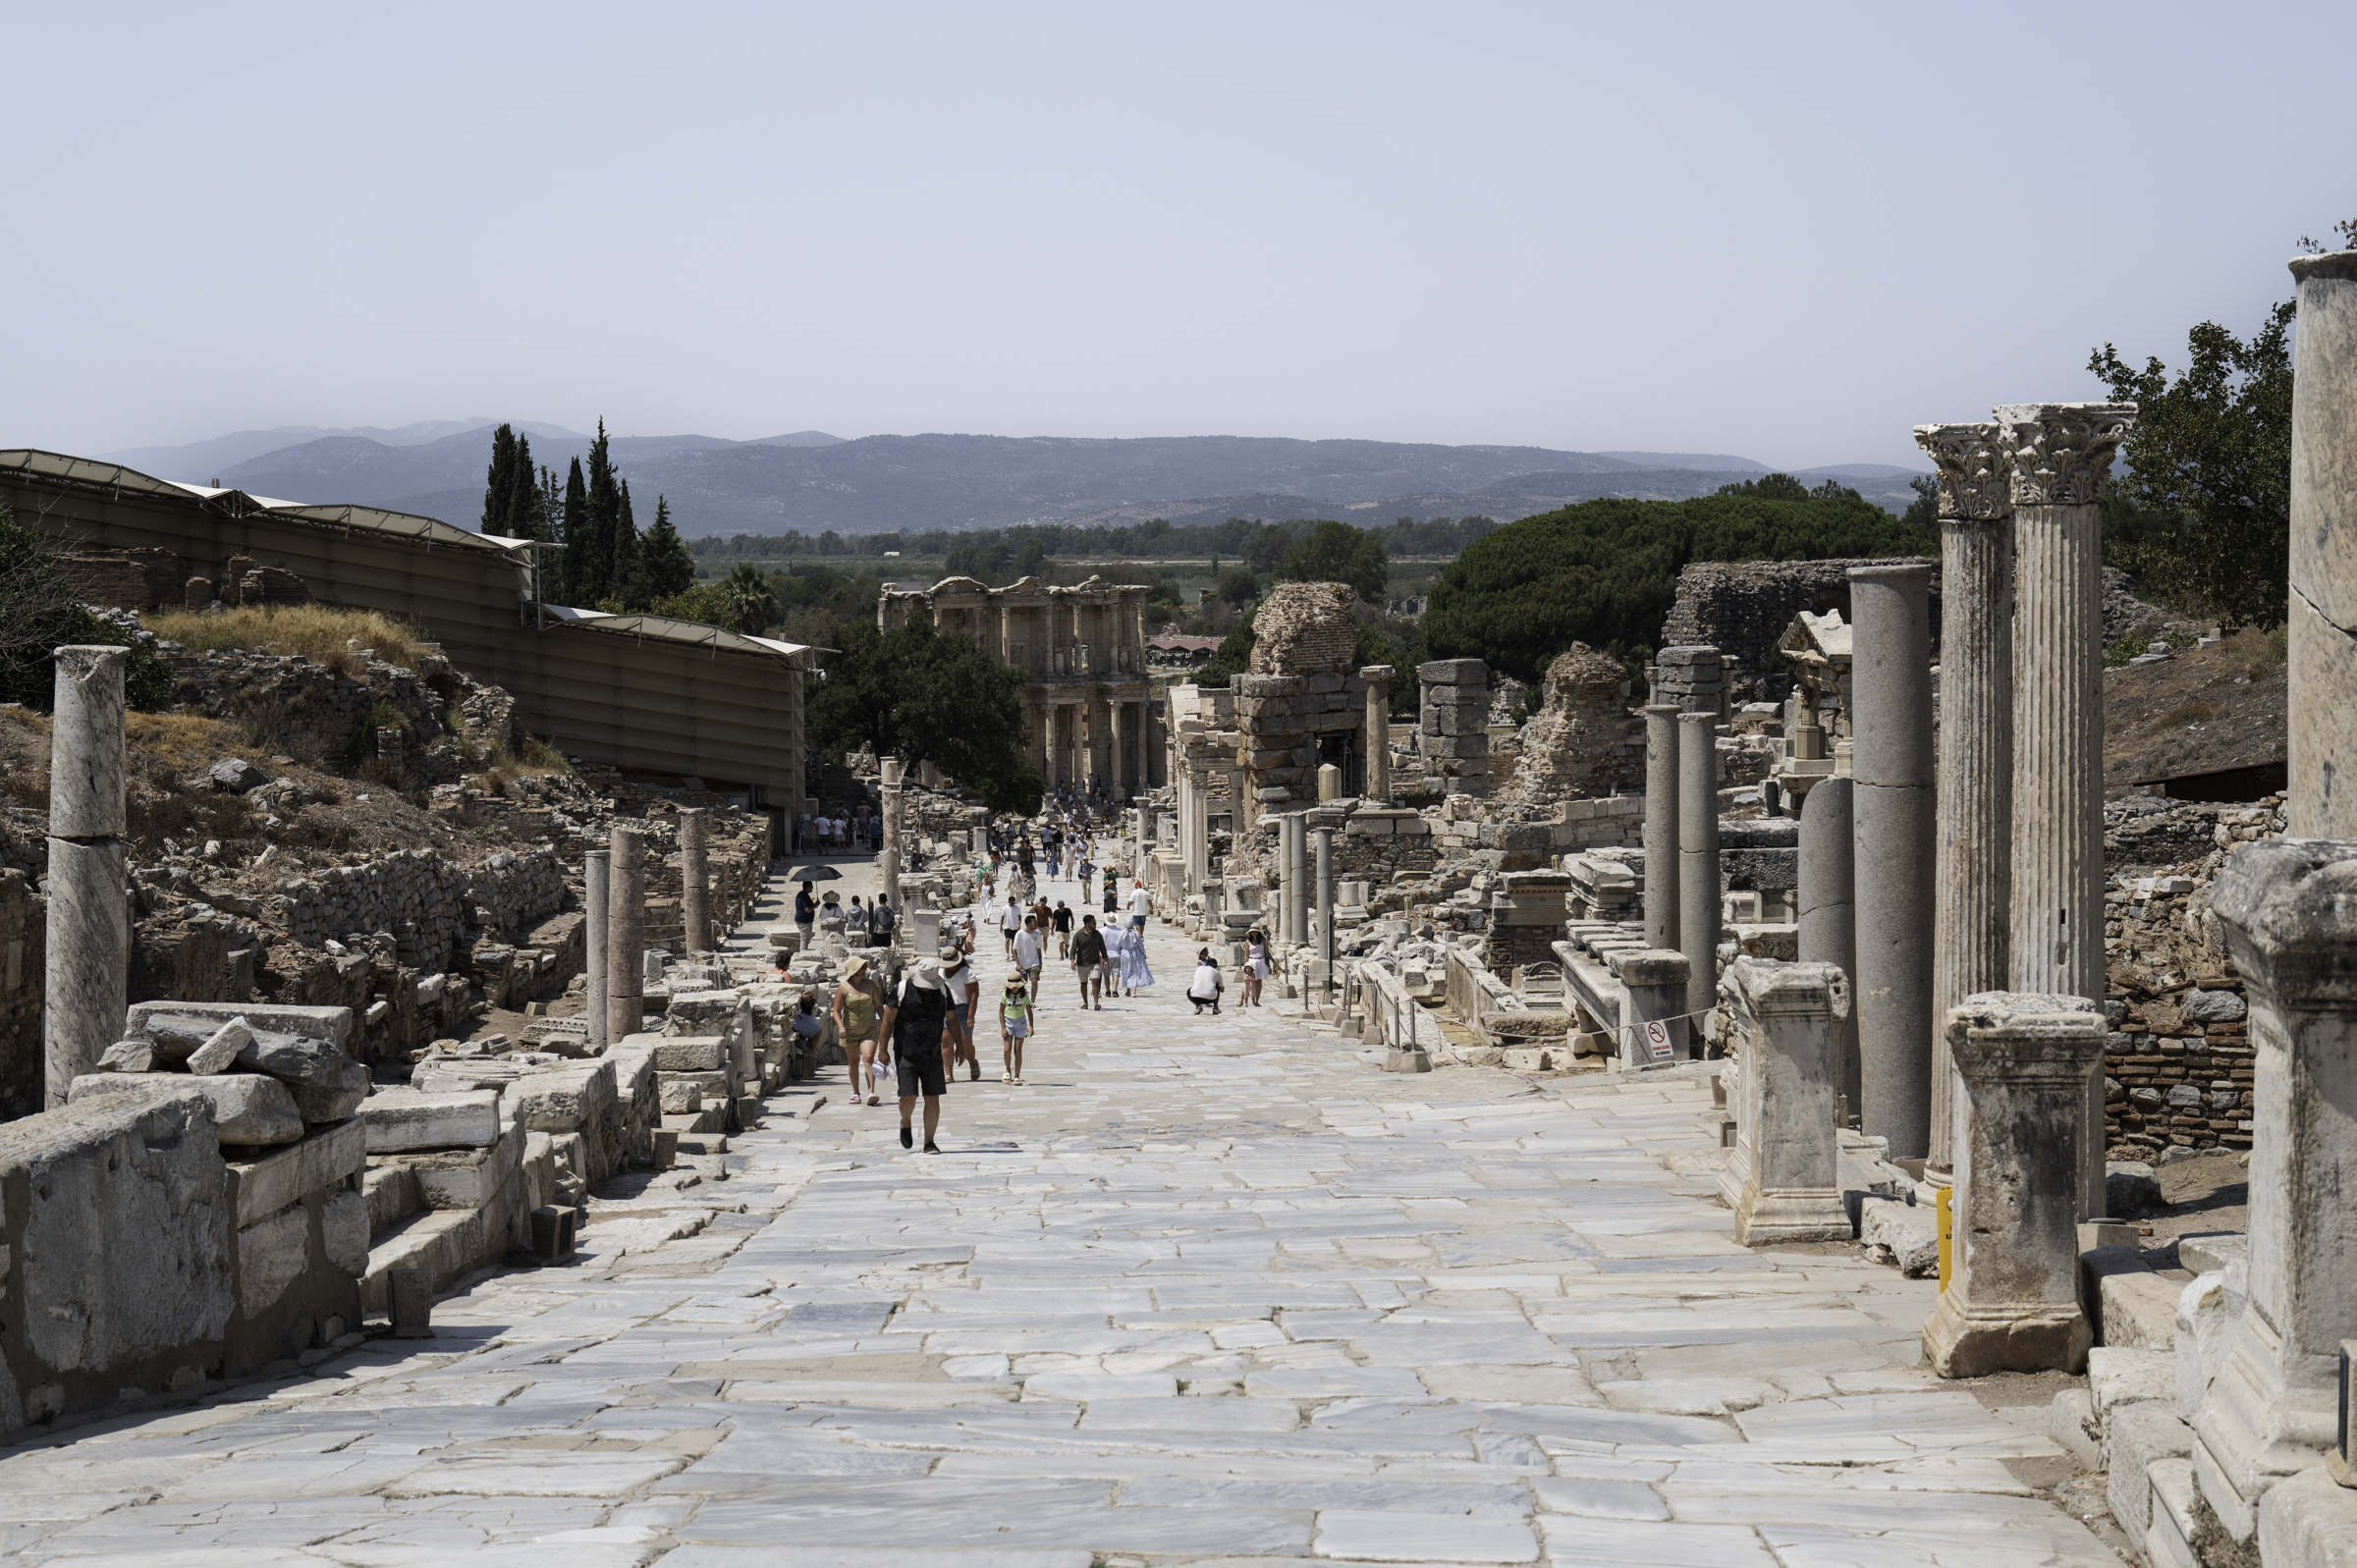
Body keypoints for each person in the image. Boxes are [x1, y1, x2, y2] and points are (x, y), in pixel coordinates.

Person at [879, 959, 952, 1152]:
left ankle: (929, 1141)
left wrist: (959, 1046)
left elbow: (951, 1019)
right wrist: (882, 1049)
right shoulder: (901, 990)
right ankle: (906, 1121)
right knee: (908, 1096)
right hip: (906, 1052)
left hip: (933, 1053)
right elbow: (887, 1021)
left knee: (933, 1098)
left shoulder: (943, 991)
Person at [833, 955, 884, 1106]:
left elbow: (879, 1006)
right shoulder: (842, 988)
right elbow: (836, 1011)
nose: (864, 970)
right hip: (849, 1030)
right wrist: (841, 1026)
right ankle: (855, 1093)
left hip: (869, 1028)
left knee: (868, 1058)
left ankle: (871, 1092)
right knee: (853, 1062)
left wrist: (888, 1024)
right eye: (861, 968)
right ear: (853, 970)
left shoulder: (870, 984)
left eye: (864, 967)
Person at [940, 942, 981, 1081]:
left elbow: (973, 996)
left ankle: (972, 1062)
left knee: (965, 1044)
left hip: (963, 1010)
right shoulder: (940, 973)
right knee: (946, 1042)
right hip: (945, 1010)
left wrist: (970, 1017)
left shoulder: (966, 973)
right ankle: (948, 1074)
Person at [999, 971, 1032, 1085]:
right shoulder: (1004, 995)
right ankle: (1007, 1069)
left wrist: (1031, 1026)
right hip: (1008, 1022)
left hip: (1021, 1023)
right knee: (1007, 1049)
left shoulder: (1024, 996)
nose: (1014, 988)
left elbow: (1029, 1011)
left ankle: (1017, 1075)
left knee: (1018, 1050)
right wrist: (1003, 1028)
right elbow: (1001, 1012)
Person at [1013, 913, 1047, 1024]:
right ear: (1028, 924)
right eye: (1034, 923)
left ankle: (1032, 1002)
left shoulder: (1037, 934)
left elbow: (1038, 949)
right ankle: (1021, 1001)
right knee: (1022, 984)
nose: (1036, 924)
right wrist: (1017, 963)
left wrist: (1040, 963)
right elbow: (1014, 950)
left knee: (1034, 981)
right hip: (1022, 963)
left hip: (1034, 962)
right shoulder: (1020, 934)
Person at [1071, 912, 1109, 1010]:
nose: (1095, 924)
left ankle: (1096, 1003)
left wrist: (1105, 959)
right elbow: (1073, 948)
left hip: (1095, 962)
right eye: (1093, 922)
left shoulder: (1097, 934)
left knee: (1095, 981)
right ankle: (1085, 1003)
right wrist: (1072, 961)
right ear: (1087, 924)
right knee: (1083, 983)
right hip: (1082, 963)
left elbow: (1102, 947)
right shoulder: (1079, 935)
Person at [1116, 918, 1154, 996]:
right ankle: (1134, 991)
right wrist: (1144, 953)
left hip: (1125, 954)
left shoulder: (1122, 933)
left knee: (1126, 971)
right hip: (1135, 953)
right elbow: (1140, 945)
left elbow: (1117, 944)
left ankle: (1128, 990)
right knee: (1135, 972)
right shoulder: (1136, 934)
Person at [1187, 947, 1225, 1015]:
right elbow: (1222, 989)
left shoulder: (1199, 969)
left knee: (1189, 991)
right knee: (1217, 986)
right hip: (1211, 998)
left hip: (1195, 998)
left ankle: (1198, 1006)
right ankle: (1215, 1008)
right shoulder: (1216, 972)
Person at [1243, 926, 1270, 1007]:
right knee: (1250, 982)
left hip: (1261, 961)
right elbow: (1246, 955)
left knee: (1259, 982)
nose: (1253, 933)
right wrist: (1245, 966)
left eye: (1255, 931)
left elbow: (1266, 951)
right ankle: (1247, 1000)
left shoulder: (1262, 940)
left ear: (1258, 932)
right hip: (1252, 962)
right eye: (1252, 932)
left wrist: (1273, 961)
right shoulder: (1247, 942)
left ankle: (1256, 1001)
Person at [794, 880, 817, 949]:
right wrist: (815, 905)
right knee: (805, 940)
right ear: (807, 888)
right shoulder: (804, 896)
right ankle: (803, 955)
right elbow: (808, 910)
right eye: (811, 887)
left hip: (802, 920)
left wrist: (811, 901)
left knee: (804, 939)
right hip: (804, 922)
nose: (812, 888)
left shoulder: (802, 894)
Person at [1000, 894, 1022, 958]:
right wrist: (1001, 926)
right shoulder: (1005, 908)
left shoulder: (1017, 908)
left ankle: (1012, 953)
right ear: (1009, 902)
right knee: (1007, 939)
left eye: (1014, 901)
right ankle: (1007, 953)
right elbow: (1002, 917)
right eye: (1012, 901)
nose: (1013, 903)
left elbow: (1019, 917)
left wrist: (1019, 924)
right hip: (1007, 926)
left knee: (1013, 941)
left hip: (1015, 927)